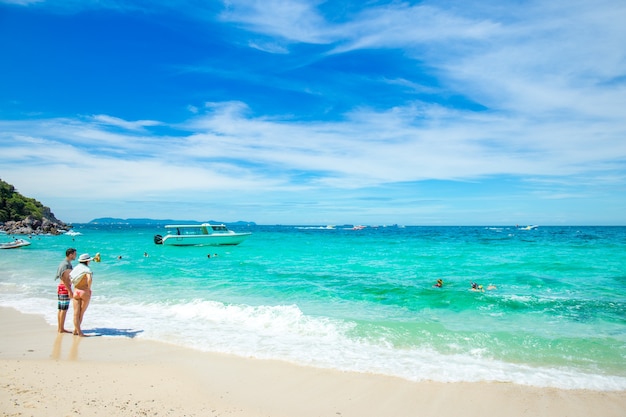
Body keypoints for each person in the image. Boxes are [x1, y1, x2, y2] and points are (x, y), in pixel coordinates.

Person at [70, 253, 94, 336]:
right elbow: (89, 279)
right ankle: (79, 332)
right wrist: (88, 288)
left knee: (76, 313)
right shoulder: (87, 269)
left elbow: (71, 278)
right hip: (84, 291)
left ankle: (76, 330)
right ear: (87, 261)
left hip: (76, 291)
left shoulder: (76, 268)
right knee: (81, 313)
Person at [55, 248, 77, 333]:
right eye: (75, 254)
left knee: (61, 309)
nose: (75, 256)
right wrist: (70, 291)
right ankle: (61, 328)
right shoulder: (66, 265)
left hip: (61, 287)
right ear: (70, 254)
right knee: (64, 309)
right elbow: (64, 279)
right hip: (64, 287)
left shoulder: (63, 263)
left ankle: (60, 327)